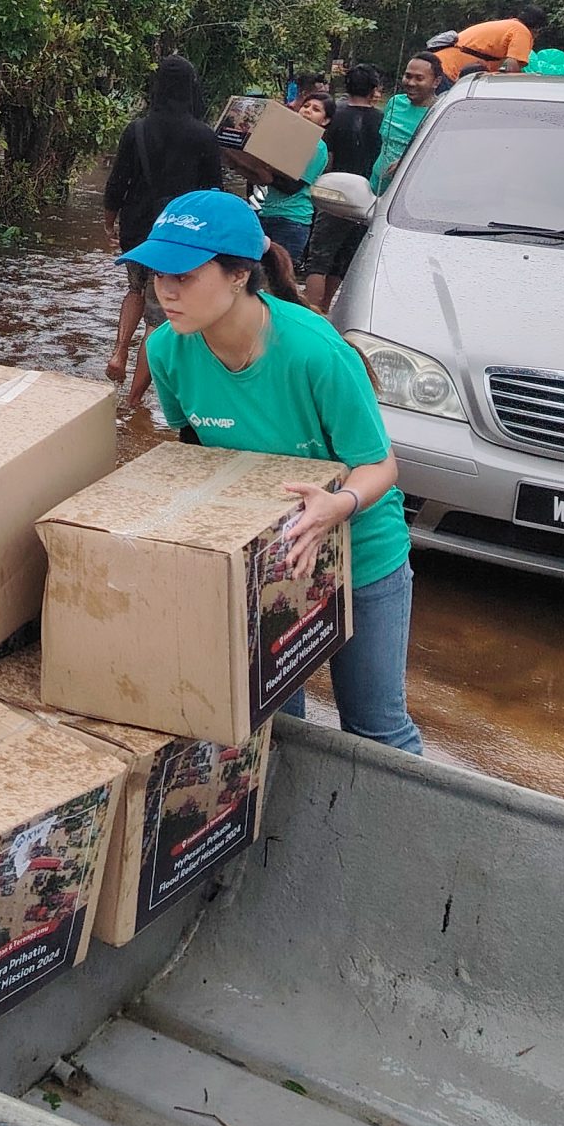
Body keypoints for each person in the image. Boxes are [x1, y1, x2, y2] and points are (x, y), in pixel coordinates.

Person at [123, 188, 420, 754]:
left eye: (183, 275)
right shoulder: (166, 350)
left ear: (239, 275)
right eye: (157, 273)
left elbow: (380, 464)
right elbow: (195, 453)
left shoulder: (314, 351)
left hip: (361, 553)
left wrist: (337, 505)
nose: (165, 291)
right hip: (269, 558)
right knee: (274, 721)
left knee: (376, 729)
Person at [102, 54, 225, 386]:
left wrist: (109, 221)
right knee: (157, 317)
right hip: (177, 235)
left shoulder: (137, 129)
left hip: (136, 228)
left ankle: (118, 353)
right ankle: (135, 399)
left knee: (134, 289)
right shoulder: (204, 136)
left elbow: (118, 181)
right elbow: (214, 192)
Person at [305, 65, 384, 312]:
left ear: (346, 86)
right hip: (366, 199)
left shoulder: (334, 115)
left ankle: (310, 310)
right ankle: (326, 308)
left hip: (333, 194)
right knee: (342, 260)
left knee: (318, 260)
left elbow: (327, 157)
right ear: (373, 89)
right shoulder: (383, 120)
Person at [255, 91, 330, 274]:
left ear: (325, 120)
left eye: (316, 109)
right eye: (306, 106)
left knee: (279, 279)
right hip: (264, 213)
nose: (307, 111)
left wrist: (261, 169)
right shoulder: (283, 139)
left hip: (291, 220)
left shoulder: (318, 147)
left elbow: (291, 186)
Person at [371, 52, 444, 193]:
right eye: (408, 76)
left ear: (436, 82)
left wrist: (407, 163)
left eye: (419, 78)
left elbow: (441, 159)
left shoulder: (440, 113)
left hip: (410, 194)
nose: (411, 83)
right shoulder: (395, 102)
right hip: (376, 187)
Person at [430, 6, 547, 81]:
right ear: (538, 28)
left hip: (439, 65)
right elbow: (511, 67)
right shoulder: (521, 31)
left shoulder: (509, 26)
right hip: (450, 71)